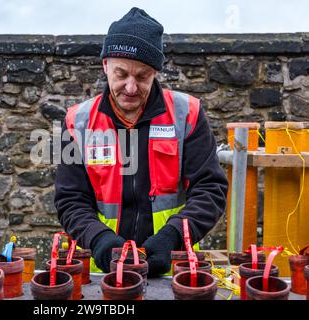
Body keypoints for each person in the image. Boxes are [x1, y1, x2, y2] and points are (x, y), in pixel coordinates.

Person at [54, 7, 228, 276]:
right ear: (105, 65)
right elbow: (70, 199)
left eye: (142, 76)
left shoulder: (187, 115)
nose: (131, 87)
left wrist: (173, 237)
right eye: (121, 74)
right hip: (102, 270)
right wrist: (98, 239)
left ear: (156, 72)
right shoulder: (76, 122)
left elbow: (210, 189)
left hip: (173, 269)